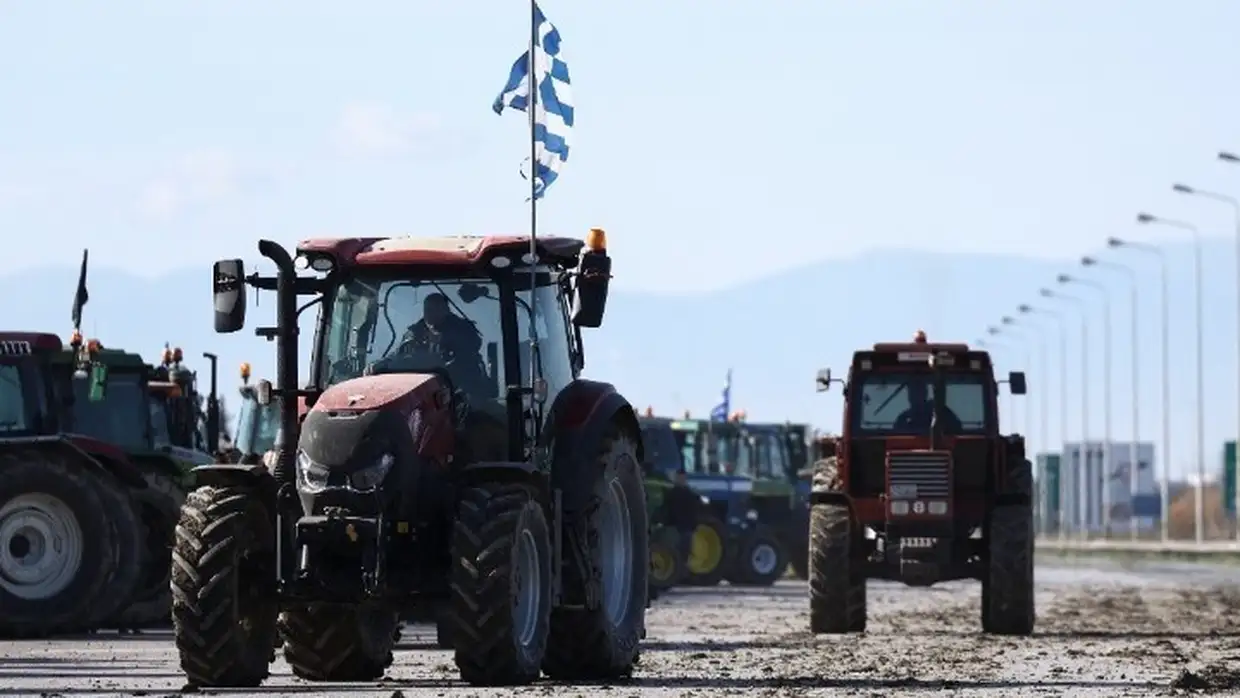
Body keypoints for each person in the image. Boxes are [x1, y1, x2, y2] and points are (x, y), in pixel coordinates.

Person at [401, 293, 489, 394]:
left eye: (436, 309)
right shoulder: (415, 332)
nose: (431, 314)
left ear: (446, 310)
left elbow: (469, 352)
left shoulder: (463, 330)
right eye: (428, 310)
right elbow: (401, 355)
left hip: (462, 389)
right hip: (423, 388)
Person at [665, 468, 704, 574]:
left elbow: (695, 509)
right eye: (679, 477)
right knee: (676, 550)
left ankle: (681, 570)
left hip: (685, 526)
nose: (680, 479)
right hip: (676, 527)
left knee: (684, 550)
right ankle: (678, 571)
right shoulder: (673, 493)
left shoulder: (689, 494)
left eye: (682, 477)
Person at [894, 379, 962, 432]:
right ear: (909, 396)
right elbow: (896, 436)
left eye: (918, 390)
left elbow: (957, 428)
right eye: (912, 391)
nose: (915, 394)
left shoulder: (940, 411)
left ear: (925, 393)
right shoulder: (903, 418)